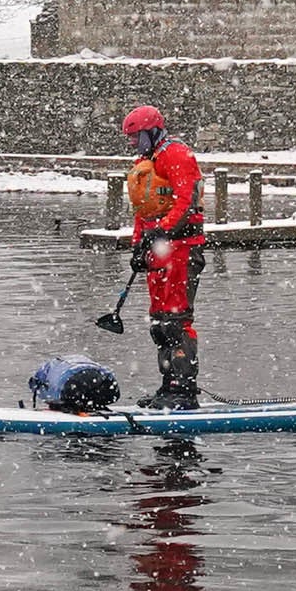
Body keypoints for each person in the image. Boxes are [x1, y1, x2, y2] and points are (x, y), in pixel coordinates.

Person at [119, 103, 206, 410]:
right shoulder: (147, 162)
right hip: (159, 251)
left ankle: (184, 390)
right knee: (159, 321)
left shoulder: (177, 155)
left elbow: (184, 202)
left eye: (135, 136)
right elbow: (143, 212)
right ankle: (168, 386)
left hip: (182, 248)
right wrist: (138, 247)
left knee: (176, 319)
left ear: (151, 131)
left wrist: (163, 231)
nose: (132, 143)